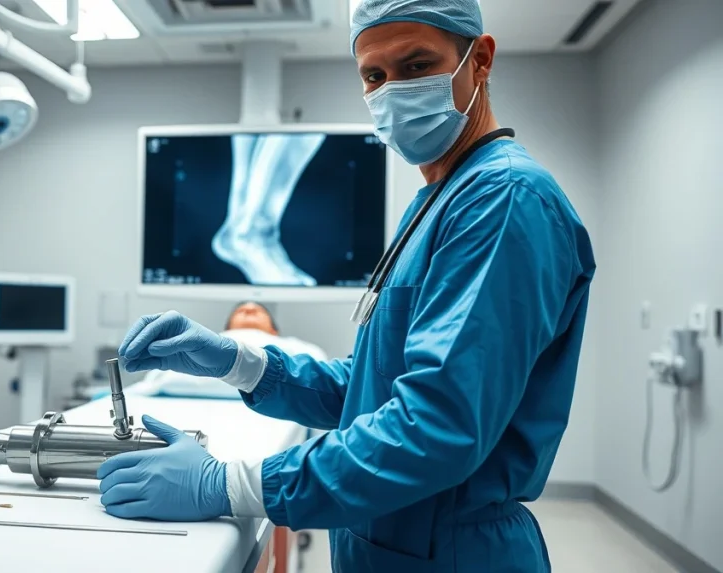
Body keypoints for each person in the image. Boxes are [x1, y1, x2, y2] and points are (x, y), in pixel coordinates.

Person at [96, 0, 596, 570]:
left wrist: (228, 485)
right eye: (374, 76)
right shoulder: (437, 200)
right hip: (395, 539)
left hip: (454, 549)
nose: (391, 92)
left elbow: (436, 425)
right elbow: (371, 390)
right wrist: (239, 362)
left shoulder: (503, 200)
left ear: (479, 60)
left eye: (416, 66)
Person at [127, 302, 327, 399]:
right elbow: (153, 382)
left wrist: (234, 362)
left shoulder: (295, 347)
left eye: (258, 312)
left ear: (274, 331)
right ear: (227, 329)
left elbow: (321, 381)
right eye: (240, 311)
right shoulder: (201, 345)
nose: (248, 310)